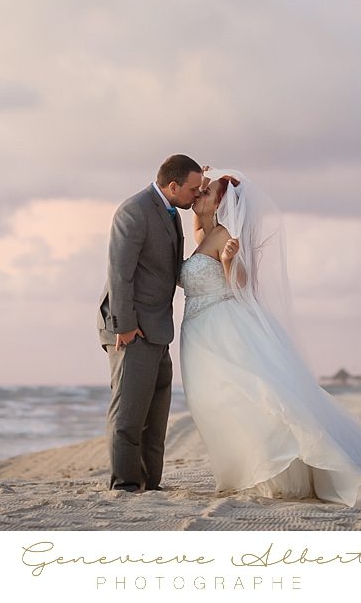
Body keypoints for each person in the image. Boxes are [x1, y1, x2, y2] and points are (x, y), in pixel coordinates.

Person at [179, 169, 361, 507]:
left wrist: (229, 259)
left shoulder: (223, 235)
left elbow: (243, 282)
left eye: (206, 192)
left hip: (223, 329)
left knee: (249, 396)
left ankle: (271, 472)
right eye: (200, 190)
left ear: (221, 205)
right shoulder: (202, 231)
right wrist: (207, 180)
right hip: (201, 330)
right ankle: (241, 469)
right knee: (219, 403)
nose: (199, 195)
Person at [97, 154, 205, 492]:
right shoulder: (134, 211)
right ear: (172, 186)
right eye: (193, 189)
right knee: (128, 413)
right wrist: (123, 325)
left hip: (158, 327)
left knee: (156, 413)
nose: (196, 195)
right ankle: (126, 484)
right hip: (131, 327)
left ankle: (149, 482)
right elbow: (119, 272)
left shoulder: (172, 212)